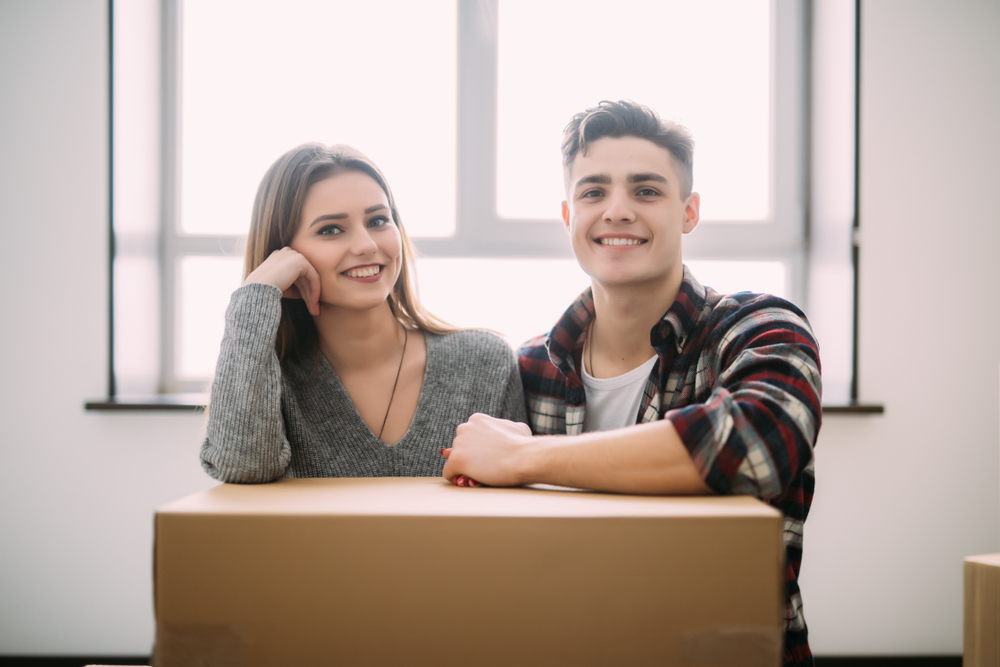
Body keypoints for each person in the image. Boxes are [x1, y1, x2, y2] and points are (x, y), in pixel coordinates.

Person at [441, 101, 822, 666]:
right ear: (568, 215)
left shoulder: (758, 327)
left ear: (688, 212)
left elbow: (753, 446)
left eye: (646, 191)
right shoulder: (528, 367)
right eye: (594, 192)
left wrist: (524, 458)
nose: (617, 211)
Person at [201, 143, 526, 482]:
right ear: (282, 253)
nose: (367, 245)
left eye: (378, 221)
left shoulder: (484, 363)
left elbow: (516, 516)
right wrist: (254, 296)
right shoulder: (270, 383)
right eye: (330, 229)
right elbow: (242, 467)